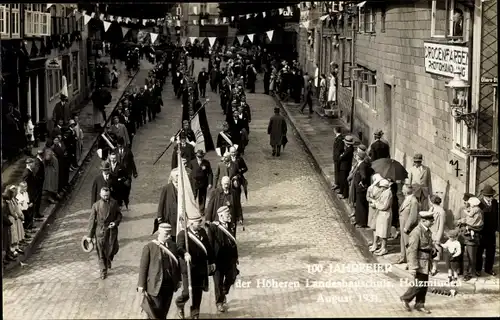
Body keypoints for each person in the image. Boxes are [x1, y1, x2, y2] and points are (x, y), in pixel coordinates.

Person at [137, 223, 182, 319]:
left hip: (169, 285)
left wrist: (178, 280)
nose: (169, 236)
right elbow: (143, 268)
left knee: (164, 311)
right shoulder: (149, 247)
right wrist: (141, 285)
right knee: (155, 311)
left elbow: (176, 264)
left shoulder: (173, 246)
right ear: (159, 233)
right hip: (155, 285)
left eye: (170, 234)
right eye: (166, 234)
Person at [175, 217, 216, 319]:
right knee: (187, 292)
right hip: (188, 268)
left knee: (198, 292)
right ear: (191, 223)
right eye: (198, 222)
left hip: (200, 268)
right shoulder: (183, 234)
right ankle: (180, 304)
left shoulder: (202, 231)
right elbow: (179, 247)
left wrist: (212, 261)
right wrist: (185, 253)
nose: (200, 224)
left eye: (200, 222)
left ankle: (195, 313)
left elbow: (208, 247)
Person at [400, 211, 436, 314]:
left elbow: (427, 245)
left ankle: (420, 304)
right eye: (430, 220)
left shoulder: (427, 231)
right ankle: (406, 298)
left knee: (424, 285)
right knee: (419, 284)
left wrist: (432, 249)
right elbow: (412, 250)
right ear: (423, 220)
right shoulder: (416, 232)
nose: (432, 222)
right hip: (419, 263)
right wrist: (413, 267)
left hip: (426, 262)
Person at [207, 206, 239, 313]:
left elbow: (233, 242)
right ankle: (219, 302)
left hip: (230, 259)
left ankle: (224, 292)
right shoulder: (213, 227)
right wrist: (211, 261)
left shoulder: (232, 225)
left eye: (229, 213)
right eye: (227, 214)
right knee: (218, 283)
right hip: (218, 260)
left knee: (232, 277)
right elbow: (210, 245)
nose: (229, 216)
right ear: (220, 216)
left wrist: (236, 257)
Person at [86, 187, 123, 280]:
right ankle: (103, 270)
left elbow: (119, 215)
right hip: (100, 232)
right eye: (104, 196)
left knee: (113, 248)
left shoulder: (114, 203)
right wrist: (89, 235)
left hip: (111, 231)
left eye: (107, 195)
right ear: (100, 195)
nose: (106, 197)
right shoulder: (96, 206)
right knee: (101, 252)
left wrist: (115, 222)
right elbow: (91, 221)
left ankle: (109, 258)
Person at [476, 184, 499, 276]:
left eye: (491, 196)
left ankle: (488, 269)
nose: (490, 198)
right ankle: (478, 269)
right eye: (489, 196)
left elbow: (497, 217)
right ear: (484, 195)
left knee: (491, 252)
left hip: (491, 232)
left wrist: (497, 229)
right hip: (481, 232)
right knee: (479, 252)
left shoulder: (495, 203)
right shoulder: (479, 204)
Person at [396, 184, 419, 264]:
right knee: (403, 241)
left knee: (408, 243)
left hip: (407, 226)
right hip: (403, 224)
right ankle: (403, 257)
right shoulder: (407, 199)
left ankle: (410, 262)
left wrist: (407, 227)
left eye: (403, 189)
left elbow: (413, 216)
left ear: (406, 191)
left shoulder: (413, 201)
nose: (402, 191)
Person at [156, 169, 180, 241]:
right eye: (176, 175)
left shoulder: (182, 187)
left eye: (179, 175)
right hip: (169, 216)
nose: (178, 177)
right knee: (170, 234)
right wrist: (159, 216)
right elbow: (161, 203)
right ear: (172, 177)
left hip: (179, 216)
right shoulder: (166, 188)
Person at [372, 179, 393, 256]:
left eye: (381, 187)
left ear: (384, 187)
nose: (380, 188)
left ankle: (384, 248)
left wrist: (376, 205)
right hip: (382, 214)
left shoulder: (388, 193)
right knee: (381, 231)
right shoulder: (385, 192)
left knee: (384, 232)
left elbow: (385, 206)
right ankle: (382, 247)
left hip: (385, 214)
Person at [116, 137, 138, 210]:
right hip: (118, 174)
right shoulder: (115, 151)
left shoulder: (128, 151)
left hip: (127, 173)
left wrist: (134, 172)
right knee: (118, 189)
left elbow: (132, 162)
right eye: (119, 145)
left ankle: (126, 200)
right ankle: (120, 202)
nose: (120, 147)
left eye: (121, 145)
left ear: (123, 144)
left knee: (127, 188)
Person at [188, 150, 213, 214]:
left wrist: (210, 183)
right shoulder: (192, 162)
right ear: (196, 156)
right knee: (193, 195)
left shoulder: (206, 163)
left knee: (202, 197)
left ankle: (201, 211)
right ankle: (192, 210)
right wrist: (188, 182)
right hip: (194, 182)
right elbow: (188, 172)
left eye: (201, 157)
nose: (200, 158)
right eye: (199, 157)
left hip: (203, 182)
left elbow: (210, 173)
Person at [429, 195, 446, 275]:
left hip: (436, 233)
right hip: (430, 233)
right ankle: (430, 266)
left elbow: (441, 226)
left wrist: (438, 238)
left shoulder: (441, 211)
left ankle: (434, 268)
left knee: (436, 252)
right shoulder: (431, 209)